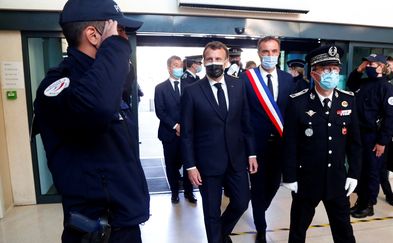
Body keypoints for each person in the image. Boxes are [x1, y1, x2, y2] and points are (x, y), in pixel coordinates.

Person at [32, 0, 150, 242]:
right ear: (93, 35)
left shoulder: (105, 82)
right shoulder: (57, 84)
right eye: (119, 31)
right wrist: (115, 47)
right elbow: (95, 109)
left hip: (123, 224)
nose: (123, 38)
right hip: (97, 233)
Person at [282, 45, 361, 243]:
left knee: (344, 230)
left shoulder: (348, 101)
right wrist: (290, 176)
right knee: (298, 230)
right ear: (314, 72)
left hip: (337, 180)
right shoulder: (297, 103)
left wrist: (353, 174)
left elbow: (355, 143)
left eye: (335, 69)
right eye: (326, 69)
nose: (331, 74)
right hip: (306, 180)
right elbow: (290, 143)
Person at [181, 41, 258, 243]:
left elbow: (245, 121)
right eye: (209, 59)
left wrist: (252, 153)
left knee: (242, 202)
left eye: (218, 59)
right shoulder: (191, 91)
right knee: (211, 212)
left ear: (226, 61)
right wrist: (190, 166)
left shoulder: (239, 85)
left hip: (237, 159)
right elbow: (187, 133)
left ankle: (221, 234)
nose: (214, 63)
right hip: (207, 163)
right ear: (203, 61)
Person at [239, 36, 296, 243]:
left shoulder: (289, 79)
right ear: (259, 53)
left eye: (273, 51)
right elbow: (243, 116)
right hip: (257, 145)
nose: (269, 55)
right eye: (265, 51)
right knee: (259, 184)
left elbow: (291, 113)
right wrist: (249, 150)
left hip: (281, 144)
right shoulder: (247, 78)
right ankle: (261, 225)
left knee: (273, 185)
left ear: (278, 53)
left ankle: (260, 208)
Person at [347, 54, 393, 218]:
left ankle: (368, 205)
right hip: (359, 135)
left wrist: (382, 142)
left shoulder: (386, 88)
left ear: (382, 67)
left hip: (374, 137)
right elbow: (351, 84)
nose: (369, 66)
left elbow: (391, 117)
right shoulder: (363, 83)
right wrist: (359, 69)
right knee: (360, 170)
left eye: (373, 64)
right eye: (367, 63)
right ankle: (360, 202)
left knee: (371, 172)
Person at [154, 55, 196, 204]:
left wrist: (185, 126)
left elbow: (192, 109)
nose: (179, 68)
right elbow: (160, 111)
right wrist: (176, 126)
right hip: (169, 134)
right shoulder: (160, 88)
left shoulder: (189, 86)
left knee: (188, 163)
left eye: (180, 65)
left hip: (187, 133)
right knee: (171, 165)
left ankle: (189, 192)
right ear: (169, 68)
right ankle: (174, 192)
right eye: (175, 65)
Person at [378, 56, 393, 207]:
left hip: (387, 135)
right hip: (380, 136)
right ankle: (388, 194)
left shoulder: (389, 86)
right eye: (391, 68)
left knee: (383, 167)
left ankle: (388, 193)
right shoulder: (382, 87)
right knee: (380, 168)